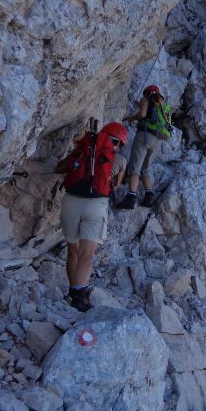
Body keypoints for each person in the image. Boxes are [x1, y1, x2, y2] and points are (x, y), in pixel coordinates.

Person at [55, 121, 128, 311]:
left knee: (73, 250)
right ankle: (80, 296)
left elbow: (61, 167)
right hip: (96, 205)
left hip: (71, 201)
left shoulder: (82, 150)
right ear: (119, 143)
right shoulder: (119, 159)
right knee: (87, 253)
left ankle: (73, 290)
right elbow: (116, 186)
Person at [117, 84, 172, 209]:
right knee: (145, 169)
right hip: (158, 140)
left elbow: (142, 114)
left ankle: (131, 198)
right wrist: (139, 104)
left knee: (135, 167)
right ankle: (149, 196)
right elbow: (149, 113)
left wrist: (131, 118)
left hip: (144, 136)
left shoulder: (146, 99)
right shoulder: (163, 106)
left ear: (147, 93)